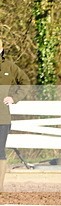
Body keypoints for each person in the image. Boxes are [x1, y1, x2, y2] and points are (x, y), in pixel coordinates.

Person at [0, 40, 30, 191]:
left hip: (2, 118)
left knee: (0, 151)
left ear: (1, 48)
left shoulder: (9, 67)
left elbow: (25, 82)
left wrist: (14, 98)